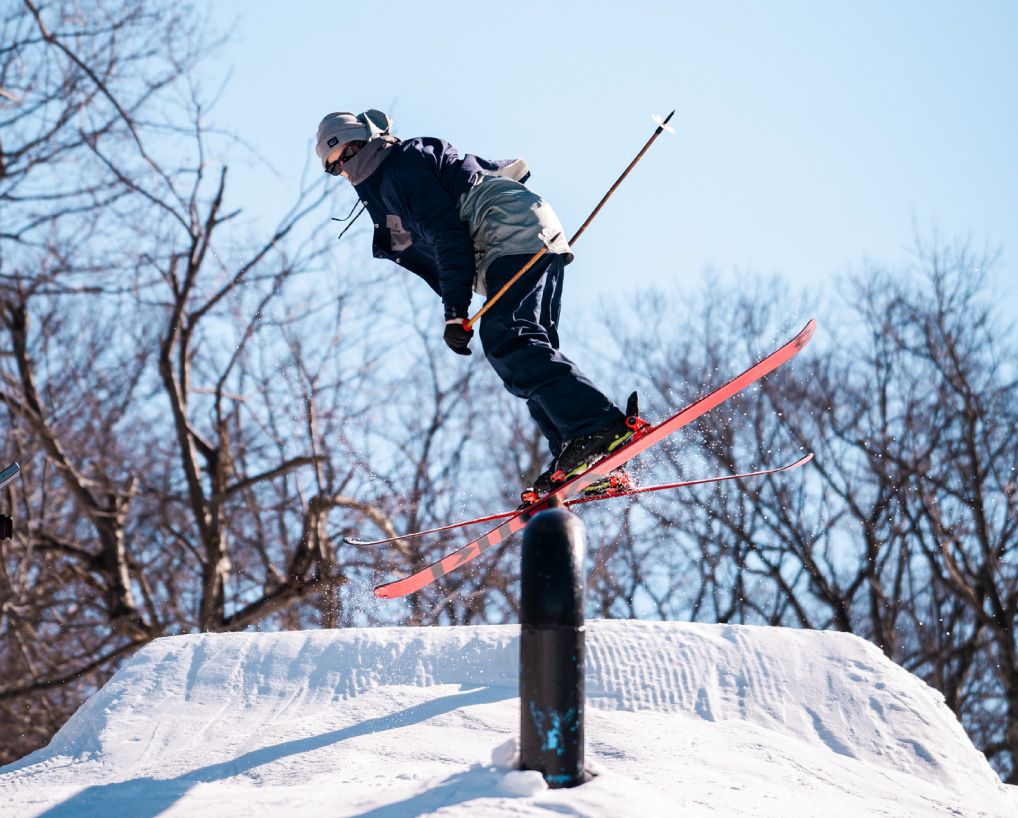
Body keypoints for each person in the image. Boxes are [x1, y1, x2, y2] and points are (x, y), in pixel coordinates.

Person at [315, 109, 636, 494]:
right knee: (527, 349)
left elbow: (447, 236)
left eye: (348, 154)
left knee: (508, 339)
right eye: (334, 168)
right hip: (525, 231)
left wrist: (455, 312)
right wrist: (454, 306)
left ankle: (596, 427)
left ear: (367, 140)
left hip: (508, 229)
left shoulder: (398, 169)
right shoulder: (388, 187)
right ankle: (586, 456)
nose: (346, 170)